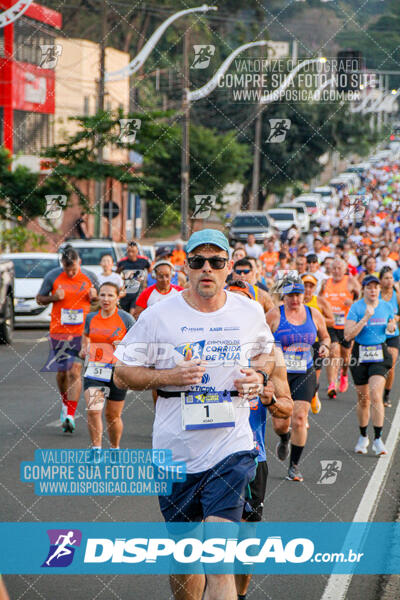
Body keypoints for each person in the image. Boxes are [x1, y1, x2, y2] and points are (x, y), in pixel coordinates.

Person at [114, 228, 275, 600]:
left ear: (228, 267)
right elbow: (122, 371)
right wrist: (168, 376)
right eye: (198, 261)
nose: (207, 269)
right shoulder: (159, 316)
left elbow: (267, 352)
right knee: (186, 560)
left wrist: (260, 374)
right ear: (186, 266)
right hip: (175, 452)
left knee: (218, 560)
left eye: (216, 262)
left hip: (231, 449)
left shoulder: (247, 311)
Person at [266, 277, 330, 482]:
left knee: (300, 418)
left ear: (304, 295)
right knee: (279, 423)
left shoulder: (313, 314)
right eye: (291, 295)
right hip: (279, 373)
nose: (295, 299)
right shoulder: (275, 314)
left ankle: (294, 466)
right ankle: (284, 438)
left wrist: (324, 347)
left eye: (298, 295)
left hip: (305, 371)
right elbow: (258, 339)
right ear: (284, 296)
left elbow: (326, 336)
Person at [37, 246, 98, 433]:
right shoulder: (52, 276)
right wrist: (54, 297)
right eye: (66, 269)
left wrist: (94, 298)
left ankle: (70, 415)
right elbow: (39, 299)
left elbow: (102, 301)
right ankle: (65, 405)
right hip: (59, 332)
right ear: (62, 264)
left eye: (73, 269)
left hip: (82, 332)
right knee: (63, 372)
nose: (70, 273)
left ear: (79, 262)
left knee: (75, 371)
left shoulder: (90, 277)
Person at [80, 282, 134, 457]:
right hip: (95, 369)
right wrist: (84, 348)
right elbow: (86, 335)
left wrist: (124, 348)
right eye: (102, 295)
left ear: (118, 297)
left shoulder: (126, 319)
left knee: (113, 416)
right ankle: (96, 450)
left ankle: (115, 448)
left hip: (117, 372)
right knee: (94, 410)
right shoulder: (91, 317)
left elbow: (138, 343)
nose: (106, 299)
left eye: (110, 295)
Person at [344, 275, 396, 456]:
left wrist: (391, 326)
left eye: (376, 287)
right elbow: (348, 335)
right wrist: (365, 317)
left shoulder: (387, 306)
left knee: (375, 394)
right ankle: (363, 436)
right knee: (364, 399)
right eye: (369, 287)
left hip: (379, 354)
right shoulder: (356, 308)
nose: (373, 290)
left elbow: (391, 328)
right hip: (360, 353)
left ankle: (378, 439)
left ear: (379, 289)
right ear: (364, 290)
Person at [320, 258, 361, 399]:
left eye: (339, 268)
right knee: (333, 351)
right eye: (334, 268)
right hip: (331, 324)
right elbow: (319, 299)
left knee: (346, 356)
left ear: (344, 270)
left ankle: (344, 374)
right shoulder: (326, 283)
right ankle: (332, 384)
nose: (337, 271)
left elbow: (362, 299)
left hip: (347, 325)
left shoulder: (350, 281)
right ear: (330, 269)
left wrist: (353, 302)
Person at [301, 272, 335, 413]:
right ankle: (302, 413)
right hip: (297, 345)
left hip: (315, 344)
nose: (308, 289)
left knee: (312, 379)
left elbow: (332, 321)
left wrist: (315, 319)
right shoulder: (294, 300)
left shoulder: (320, 302)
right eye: (305, 285)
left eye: (311, 286)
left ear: (315, 288)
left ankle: (314, 393)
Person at [379, 266, 400, 407]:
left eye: (391, 278)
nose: (389, 281)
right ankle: (374, 392)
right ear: (380, 280)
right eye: (386, 278)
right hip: (377, 334)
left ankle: (386, 394)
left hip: (392, 334)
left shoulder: (397, 296)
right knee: (377, 365)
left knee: (391, 364)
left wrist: (395, 319)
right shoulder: (376, 294)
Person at [116, 241, 151, 316]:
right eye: (128, 251)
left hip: (138, 292)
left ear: (137, 251)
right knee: (124, 314)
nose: (131, 254)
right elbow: (116, 276)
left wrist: (145, 283)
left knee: (133, 314)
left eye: (133, 251)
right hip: (126, 293)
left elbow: (150, 273)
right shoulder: (122, 262)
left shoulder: (143, 261)